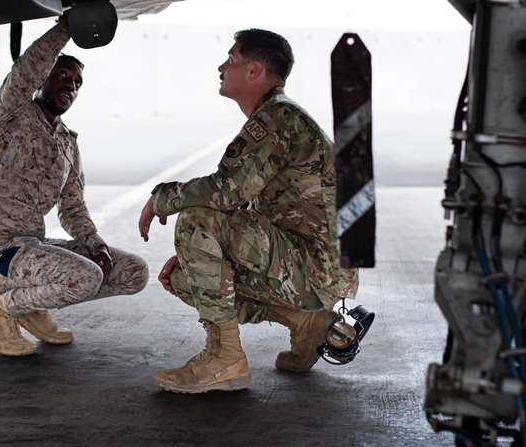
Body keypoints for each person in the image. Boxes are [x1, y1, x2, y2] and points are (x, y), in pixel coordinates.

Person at [138, 28, 361, 393]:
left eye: (231, 59)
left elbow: (225, 192)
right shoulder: (281, 116)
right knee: (186, 276)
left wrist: (162, 199)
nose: (221, 67)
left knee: (195, 220)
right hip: (318, 267)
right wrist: (198, 260)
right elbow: (247, 204)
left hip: (314, 267)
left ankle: (225, 360)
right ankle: (307, 323)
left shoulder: (275, 120)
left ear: (254, 71)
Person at [0, 16, 149, 356]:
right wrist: (70, 25)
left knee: (132, 272)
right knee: (85, 277)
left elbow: (72, 207)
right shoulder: (10, 119)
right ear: (41, 81)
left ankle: (30, 307)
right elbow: (24, 71)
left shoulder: (68, 143)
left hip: (33, 245)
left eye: (77, 82)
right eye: (62, 76)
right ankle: (2, 309)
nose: (71, 85)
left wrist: (96, 245)